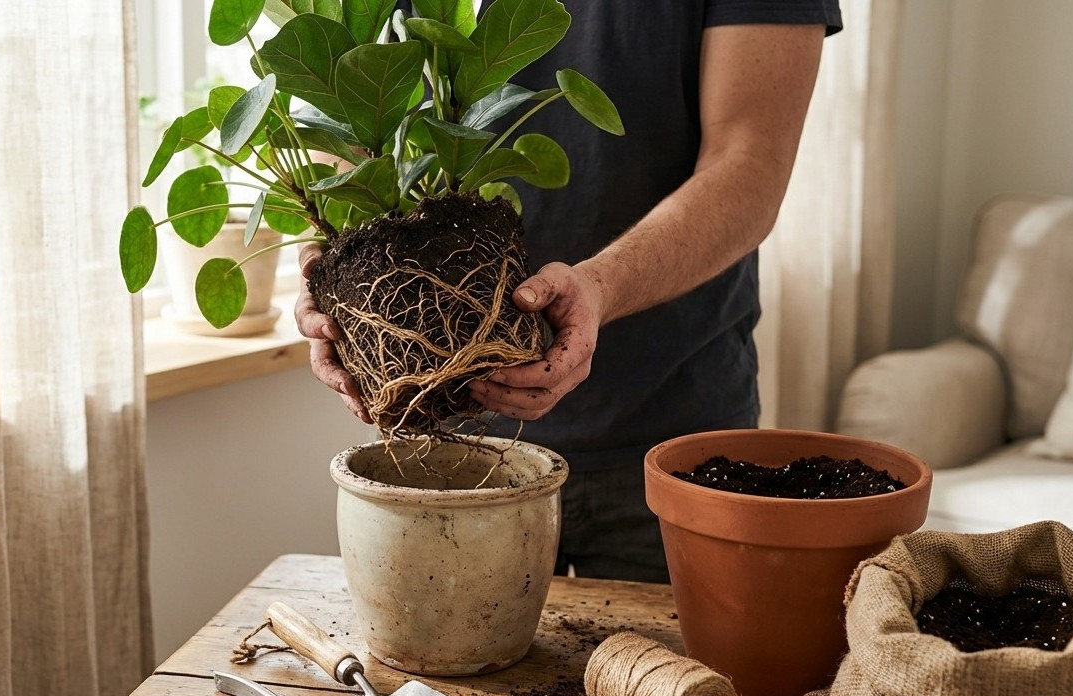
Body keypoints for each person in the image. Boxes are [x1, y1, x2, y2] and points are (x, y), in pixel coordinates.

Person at [295, 0, 842, 583]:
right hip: (450, 437)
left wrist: (599, 287)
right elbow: (349, 128)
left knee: (679, 676)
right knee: (444, 674)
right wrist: (331, 274)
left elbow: (749, 166)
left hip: (673, 442)